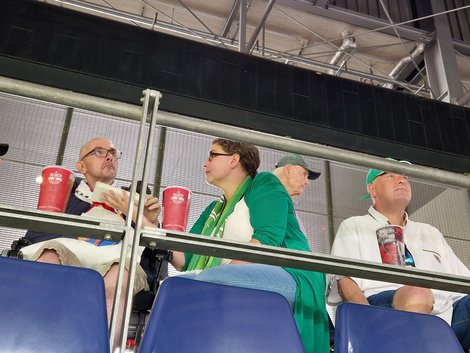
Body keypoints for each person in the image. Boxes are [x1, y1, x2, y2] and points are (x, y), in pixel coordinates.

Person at [103, 138, 330, 353]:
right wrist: (138, 216)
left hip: (292, 274)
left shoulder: (264, 183)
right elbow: (185, 259)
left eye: (212, 155)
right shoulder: (214, 209)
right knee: (170, 286)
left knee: (201, 285)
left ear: (234, 159)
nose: (205, 162)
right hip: (237, 274)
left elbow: (266, 242)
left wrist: (216, 273)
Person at [20, 137, 161, 349]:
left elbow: (157, 252)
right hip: (69, 255)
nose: (109, 156)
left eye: (113, 152)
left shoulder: (132, 199)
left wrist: (150, 220)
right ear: (81, 166)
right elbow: (35, 235)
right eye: (99, 152)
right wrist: (77, 233)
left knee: (120, 275)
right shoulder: (64, 194)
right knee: (48, 257)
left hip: (117, 260)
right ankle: (37, 344)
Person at [329, 161, 470, 350]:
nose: (401, 180)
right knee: (418, 292)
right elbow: (344, 279)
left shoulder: (429, 232)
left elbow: (463, 280)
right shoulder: (354, 226)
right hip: (384, 309)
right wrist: (367, 322)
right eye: (391, 175)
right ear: (373, 190)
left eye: (405, 177)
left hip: (445, 312)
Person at [273, 153, 321, 234]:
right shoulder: (269, 200)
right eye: (304, 174)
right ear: (288, 171)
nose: (307, 182)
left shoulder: (288, 207)